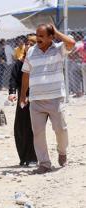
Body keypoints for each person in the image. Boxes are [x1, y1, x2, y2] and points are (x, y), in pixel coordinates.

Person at [20, 24, 76, 174]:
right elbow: (26, 74)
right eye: (37, 35)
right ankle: (44, 163)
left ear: (51, 37)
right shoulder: (31, 51)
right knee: (38, 132)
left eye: (42, 36)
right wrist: (23, 95)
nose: (38, 38)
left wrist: (56, 32)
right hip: (36, 100)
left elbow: (71, 43)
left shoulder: (58, 49)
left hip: (55, 98)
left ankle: (62, 151)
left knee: (60, 129)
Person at [8, 35, 37, 166]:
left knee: (34, 128)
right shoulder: (19, 63)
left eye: (32, 43)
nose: (28, 46)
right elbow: (13, 79)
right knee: (20, 128)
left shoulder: (40, 62)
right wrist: (12, 93)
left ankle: (33, 157)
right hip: (23, 99)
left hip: (37, 99)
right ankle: (23, 157)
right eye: (27, 43)